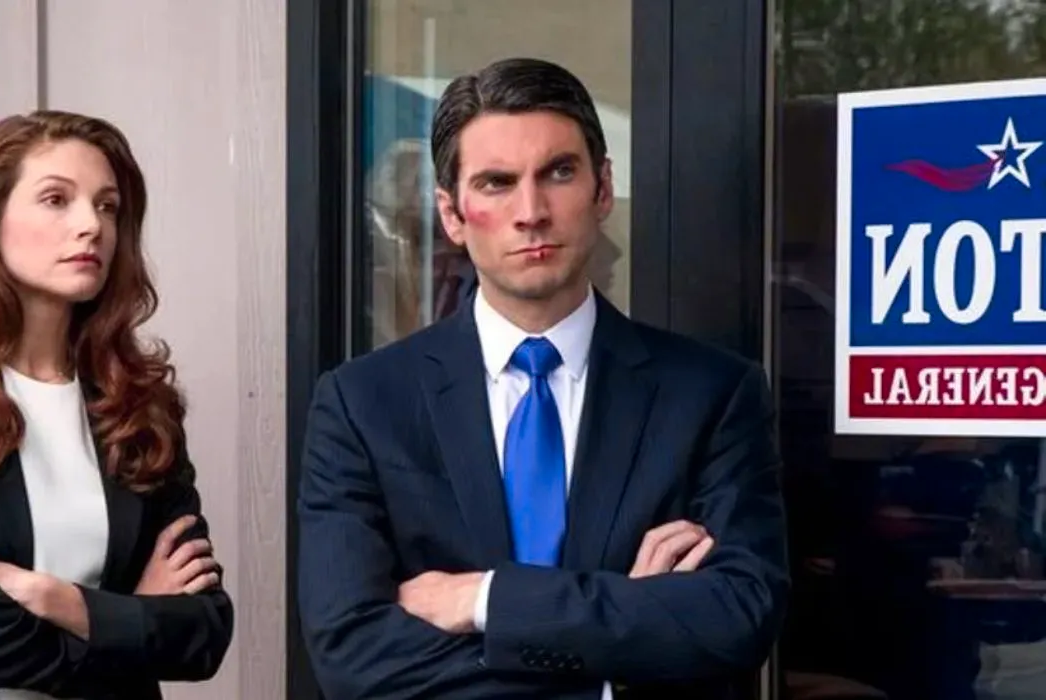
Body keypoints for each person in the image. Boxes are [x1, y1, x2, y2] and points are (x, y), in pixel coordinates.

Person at [296, 57, 789, 699]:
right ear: (451, 213)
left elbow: (737, 617)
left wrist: (486, 599)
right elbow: (352, 655)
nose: (532, 211)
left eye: (558, 172)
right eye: (497, 183)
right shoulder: (362, 404)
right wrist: (615, 650)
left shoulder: (714, 395)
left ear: (602, 188)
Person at [0, 110, 233, 699]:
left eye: (107, 206)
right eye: (56, 199)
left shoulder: (138, 403)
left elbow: (204, 633)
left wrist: (60, 600)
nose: (91, 226)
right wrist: (130, 618)